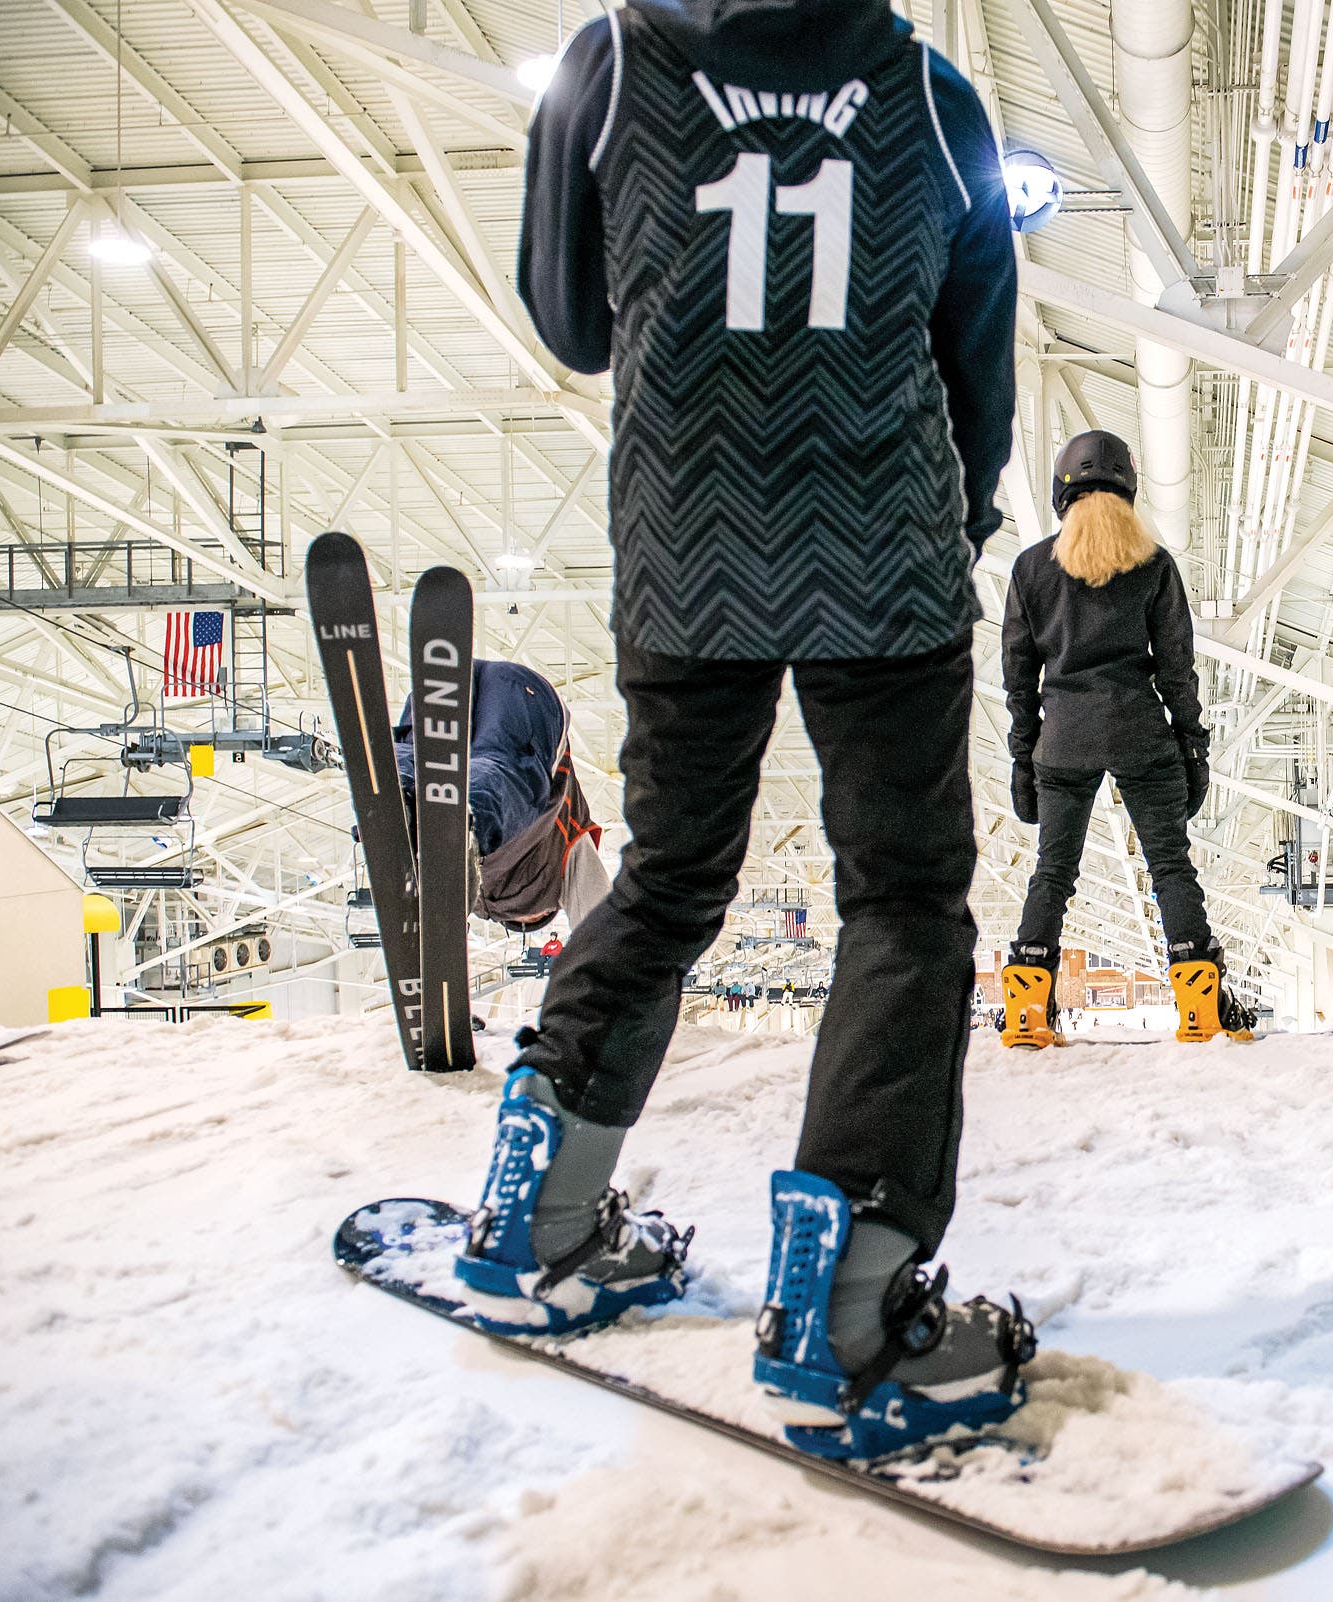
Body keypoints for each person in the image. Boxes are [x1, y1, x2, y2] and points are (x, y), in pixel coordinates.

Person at [448, 0, 1033, 1462]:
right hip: (880, 553)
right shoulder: (931, 92)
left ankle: (541, 1214)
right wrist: (946, 521)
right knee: (900, 901)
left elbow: (576, 324)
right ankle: (851, 1308)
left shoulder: (610, 60)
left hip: (686, 542)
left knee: (670, 875)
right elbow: (982, 362)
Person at [999, 431, 1258, 1048]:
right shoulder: (1154, 564)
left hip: (1062, 740)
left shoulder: (1032, 568)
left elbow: (1017, 674)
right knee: (1170, 866)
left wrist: (1022, 754)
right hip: (1141, 732)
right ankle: (1199, 1013)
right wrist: (1193, 745)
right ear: (1129, 490)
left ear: (1063, 492)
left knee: (1052, 874)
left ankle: (1026, 1017)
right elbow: (1176, 668)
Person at [394, 659, 609, 932]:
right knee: (504, 777)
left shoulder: (474, 894)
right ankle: (461, 815)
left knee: (422, 760)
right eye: (535, 918)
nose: (528, 917)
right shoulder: (557, 873)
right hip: (526, 700)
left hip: (455, 686)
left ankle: (401, 790)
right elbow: (596, 920)